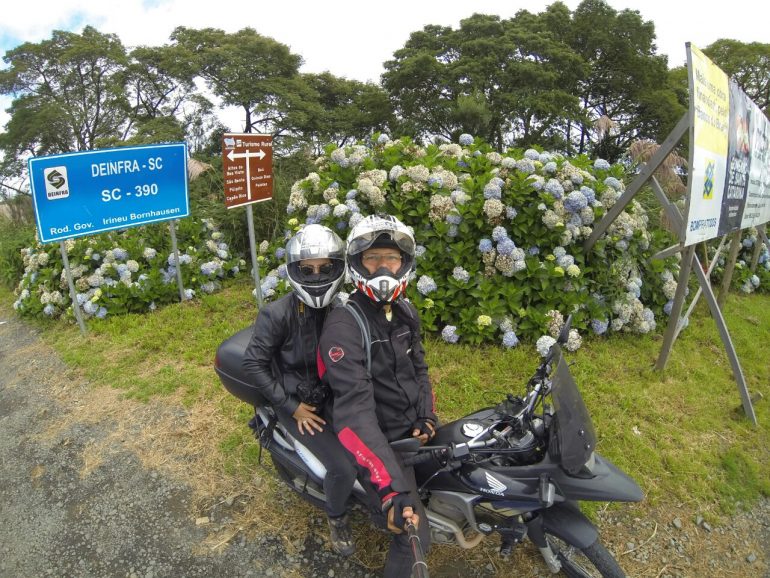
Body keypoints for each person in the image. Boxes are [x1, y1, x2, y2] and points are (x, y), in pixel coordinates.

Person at [318, 214, 437, 577]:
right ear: (357, 264)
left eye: (392, 258)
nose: (383, 266)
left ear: (405, 264)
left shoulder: (405, 311)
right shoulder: (344, 325)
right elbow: (354, 412)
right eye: (373, 258)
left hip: (407, 427)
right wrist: (391, 487)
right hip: (376, 441)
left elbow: (419, 369)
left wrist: (426, 414)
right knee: (414, 532)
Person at [242, 224, 358, 556]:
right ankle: (337, 518)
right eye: (307, 269)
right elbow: (253, 363)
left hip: (334, 392)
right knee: (343, 467)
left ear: (338, 268)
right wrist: (290, 405)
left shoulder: (343, 308)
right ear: (294, 271)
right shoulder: (277, 313)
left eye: (325, 268)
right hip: (296, 401)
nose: (317, 275)